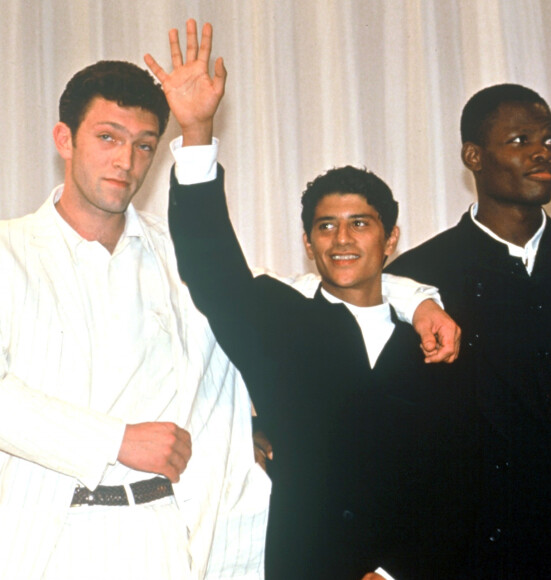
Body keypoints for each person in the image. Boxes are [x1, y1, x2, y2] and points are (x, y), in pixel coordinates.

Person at [146, 21, 476, 579]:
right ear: (307, 242)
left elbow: (459, 481)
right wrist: (197, 129)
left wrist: (397, 573)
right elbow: (211, 268)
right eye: (325, 227)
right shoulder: (281, 323)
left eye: (360, 224)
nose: (342, 240)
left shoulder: (437, 339)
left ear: (391, 239)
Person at [0, 44, 271, 580]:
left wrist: (414, 298)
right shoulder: (9, 251)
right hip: (42, 539)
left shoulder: (177, 255)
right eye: (108, 138)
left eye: (144, 146)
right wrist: (116, 440)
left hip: (160, 537)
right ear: (64, 140)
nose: (125, 162)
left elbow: (276, 298)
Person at [387, 83, 551, 578]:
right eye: (520, 140)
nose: (544, 153)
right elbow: (391, 436)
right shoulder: (417, 279)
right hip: (473, 556)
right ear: (473, 155)